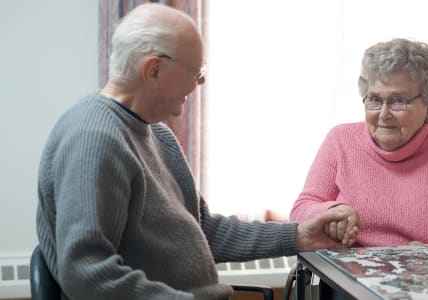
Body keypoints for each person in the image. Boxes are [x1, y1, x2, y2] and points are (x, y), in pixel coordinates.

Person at [35, 4, 357, 300]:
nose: (200, 82)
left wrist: (299, 235)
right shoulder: (94, 139)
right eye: (196, 70)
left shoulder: (157, 133)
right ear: (154, 69)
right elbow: (86, 275)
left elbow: (204, 231)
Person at [290, 38, 428, 247]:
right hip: (348, 279)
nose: (384, 114)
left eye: (398, 101)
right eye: (375, 100)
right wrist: (332, 211)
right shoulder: (340, 141)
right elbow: (302, 208)